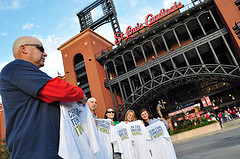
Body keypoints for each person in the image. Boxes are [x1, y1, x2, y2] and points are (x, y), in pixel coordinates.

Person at [0, 36, 86, 159]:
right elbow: (59, 90)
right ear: (23, 49)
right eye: (41, 49)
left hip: (47, 149)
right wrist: (80, 94)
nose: (45, 54)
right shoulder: (15, 67)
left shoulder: (27, 72)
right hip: (34, 151)